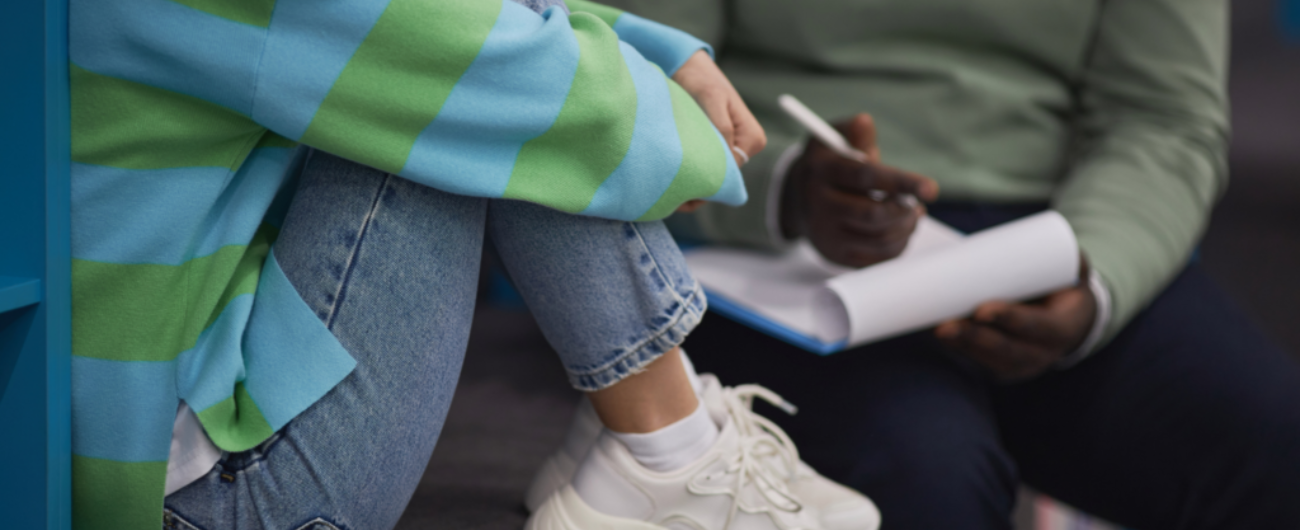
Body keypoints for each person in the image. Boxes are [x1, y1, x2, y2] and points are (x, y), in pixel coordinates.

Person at [70, 0, 882, 528]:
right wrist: (677, 123)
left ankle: (663, 449)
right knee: (475, 108)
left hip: (148, 428)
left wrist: (649, 47)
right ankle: (667, 451)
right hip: (205, 504)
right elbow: (507, 75)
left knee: (467, 85)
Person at [529, 0, 1300, 528]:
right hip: (773, 233)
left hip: (1062, 230)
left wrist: (1094, 277)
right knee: (921, 484)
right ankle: (658, 404)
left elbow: (1165, 117)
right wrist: (781, 185)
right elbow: (628, 66)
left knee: (1276, 446)